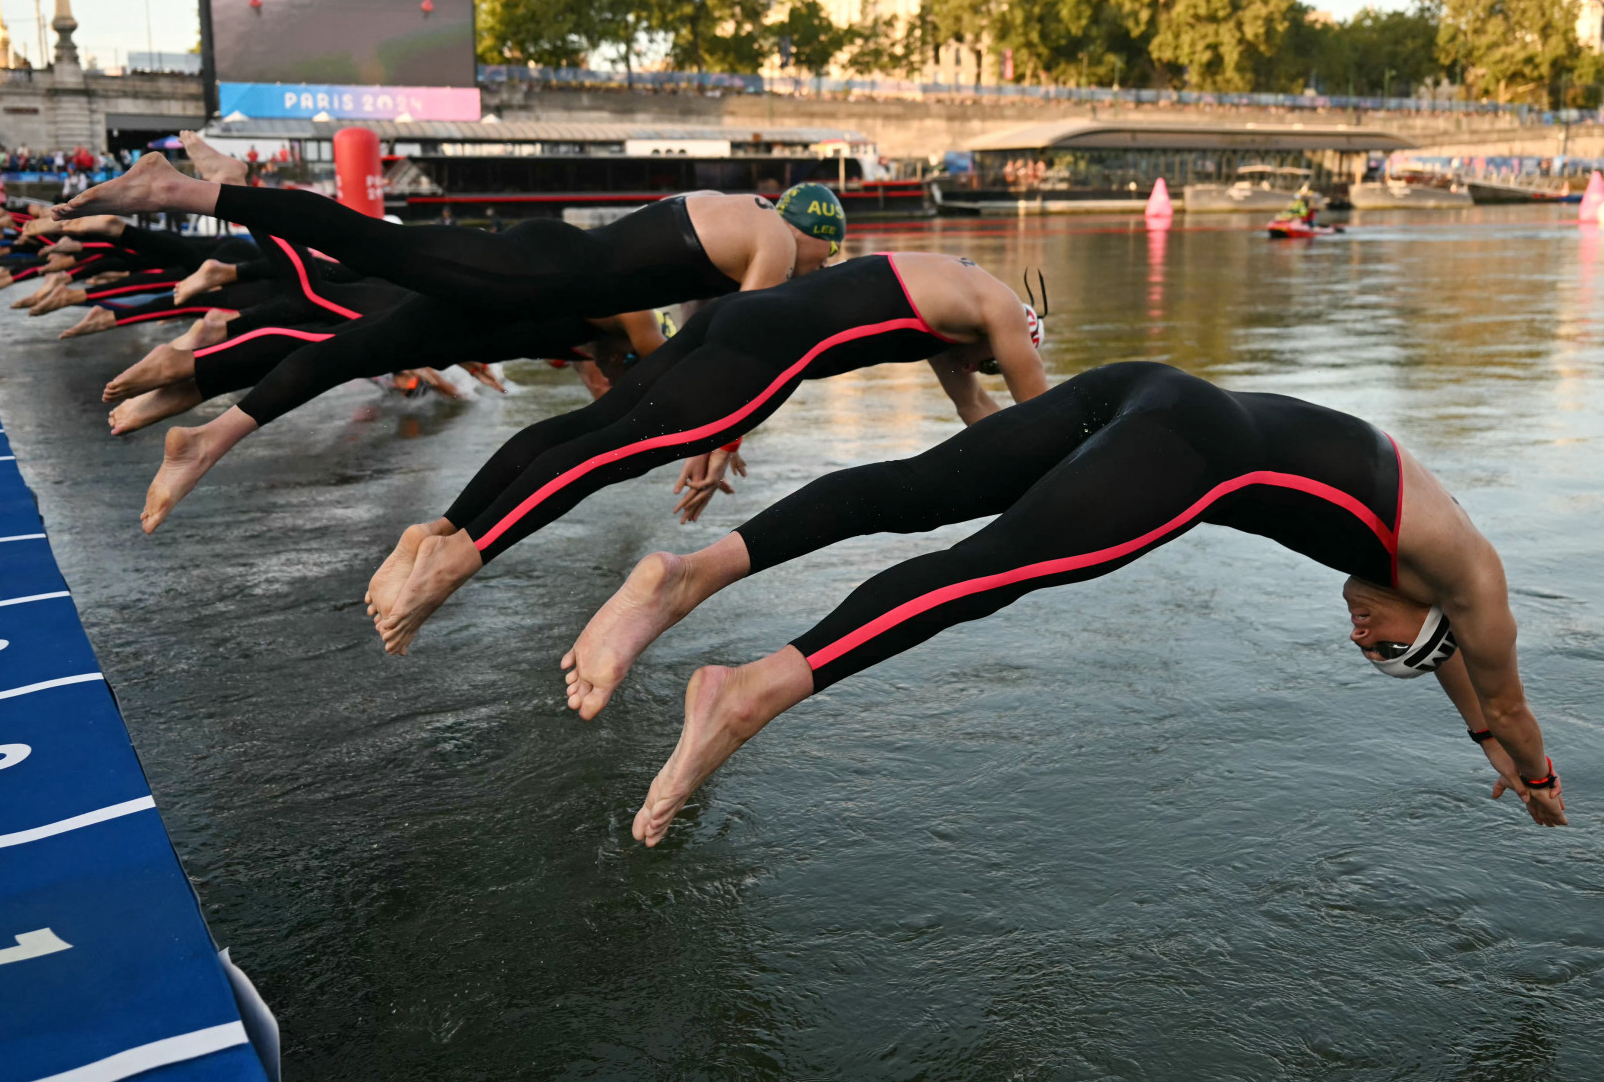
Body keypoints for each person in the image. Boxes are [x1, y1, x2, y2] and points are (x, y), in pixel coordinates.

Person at [555, 361, 1567, 847]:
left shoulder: (1431, 554)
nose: (1361, 636)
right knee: (986, 570)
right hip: (1192, 455)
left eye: (1372, 652)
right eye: (1383, 642)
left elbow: (1458, 673)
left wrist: (1476, 737)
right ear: (1427, 616)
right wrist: (1534, 771)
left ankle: (684, 575)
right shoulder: (1475, 585)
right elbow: (1499, 685)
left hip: (1149, 392)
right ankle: (750, 691)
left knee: (914, 487)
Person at [357, 251, 1050, 656]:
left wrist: (722, 432)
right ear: (1021, 332)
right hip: (778, 343)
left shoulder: (949, 290)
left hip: (736, 314)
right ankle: (455, 565)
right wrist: (1071, 470)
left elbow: (974, 416)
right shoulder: (1001, 311)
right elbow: (1038, 422)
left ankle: (435, 532)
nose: (978, 367)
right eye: (993, 363)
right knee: (617, 453)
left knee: (595, 424)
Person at [51, 138, 846, 315]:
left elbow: (704, 312)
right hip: (548, 277)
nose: (817, 269)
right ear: (813, 232)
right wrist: (719, 446)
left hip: (551, 264)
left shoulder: (737, 217)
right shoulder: (775, 236)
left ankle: (224, 193)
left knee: (373, 271)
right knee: (368, 253)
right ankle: (198, 194)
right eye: (826, 256)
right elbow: (744, 335)